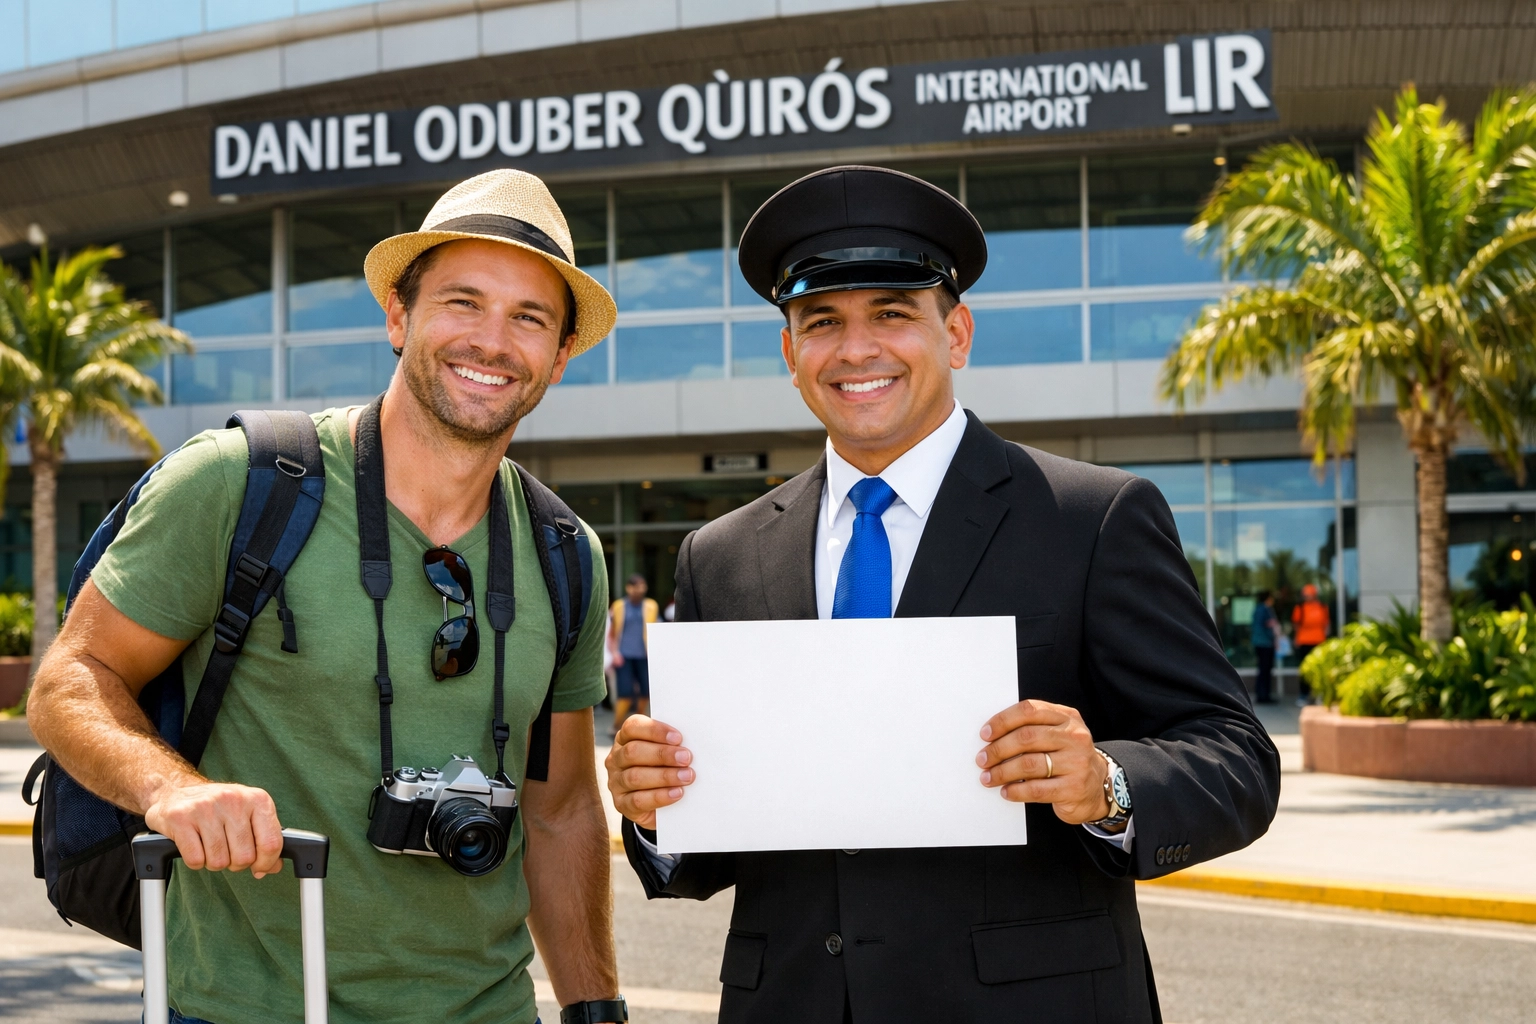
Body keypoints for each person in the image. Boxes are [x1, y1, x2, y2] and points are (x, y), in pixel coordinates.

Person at [604, 165, 1280, 1022]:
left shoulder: (1093, 518)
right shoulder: (722, 554)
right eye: (821, 322)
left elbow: (1238, 759)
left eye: (892, 313)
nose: (856, 350)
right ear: (789, 352)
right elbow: (706, 848)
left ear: (955, 332)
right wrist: (655, 808)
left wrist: (1106, 781)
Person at [27, 170, 631, 1024]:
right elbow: (70, 679)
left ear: (560, 356)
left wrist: (596, 1009)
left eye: (529, 317)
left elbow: (562, 806)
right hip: (243, 1008)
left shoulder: (566, 551)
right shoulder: (238, 484)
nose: (492, 341)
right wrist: (169, 788)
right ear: (398, 315)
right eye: (463, 301)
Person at [607, 574, 658, 734]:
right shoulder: (619, 606)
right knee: (625, 692)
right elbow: (612, 632)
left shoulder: (651, 605)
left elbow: (653, 629)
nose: (640, 589)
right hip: (624, 655)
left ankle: (640, 724)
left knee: (646, 691)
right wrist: (614, 653)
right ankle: (616, 725)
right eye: (637, 586)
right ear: (629, 588)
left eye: (643, 586)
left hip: (644, 655)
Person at [1292, 582, 1331, 705]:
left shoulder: (1323, 607)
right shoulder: (1300, 608)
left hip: (1319, 642)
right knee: (1304, 670)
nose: (1307, 597)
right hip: (1304, 642)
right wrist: (1296, 639)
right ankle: (1304, 695)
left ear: (1314, 594)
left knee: (1319, 669)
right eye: (1305, 595)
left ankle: (1320, 694)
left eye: (1309, 594)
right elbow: (1296, 625)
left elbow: (1327, 624)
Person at [1250, 590, 1279, 704]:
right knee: (1265, 669)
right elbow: (1264, 626)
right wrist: (1272, 636)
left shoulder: (1259, 609)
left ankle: (1262, 694)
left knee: (1263, 669)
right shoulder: (1264, 609)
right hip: (1264, 643)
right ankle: (1263, 695)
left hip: (1261, 643)